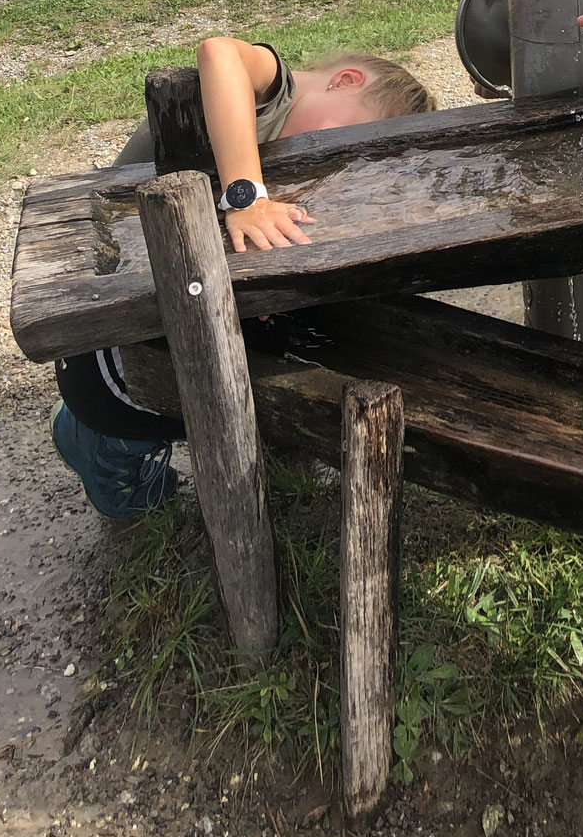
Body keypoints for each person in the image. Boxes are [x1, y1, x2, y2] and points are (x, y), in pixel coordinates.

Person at [50, 38, 435, 518]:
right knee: (168, 437)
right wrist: (247, 194)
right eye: (342, 140)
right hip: (108, 349)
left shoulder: (290, 149)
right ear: (345, 80)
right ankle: (103, 447)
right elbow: (218, 53)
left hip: (168, 303)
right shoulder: (275, 91)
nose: (334, 158)